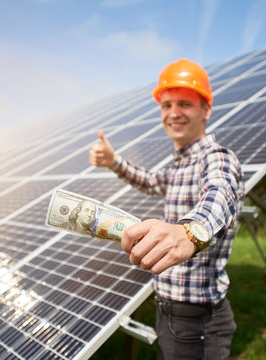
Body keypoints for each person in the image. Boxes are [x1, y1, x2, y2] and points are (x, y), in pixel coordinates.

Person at [89, 58, 244, 360]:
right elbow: (150, 181)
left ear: (206, 110)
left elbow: (221, 194)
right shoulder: (179, 165)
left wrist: (190, 231)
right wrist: (113, 161)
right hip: (173, 313)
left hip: (197, 319)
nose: (173, 113)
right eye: (166, 105)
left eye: (184, 104)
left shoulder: (217, 158)